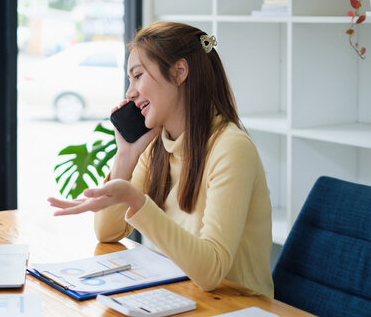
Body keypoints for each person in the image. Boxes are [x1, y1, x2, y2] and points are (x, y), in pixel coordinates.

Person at [47, 21, 274, 298]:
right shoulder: (158, 147)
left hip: (236, 307)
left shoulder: (230, 148)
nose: (130, 93)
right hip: (184, 297)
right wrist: (126, 155)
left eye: (138, 76)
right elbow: (107, 232)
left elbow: (212, 270)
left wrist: (136, 199)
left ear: (179, 72)